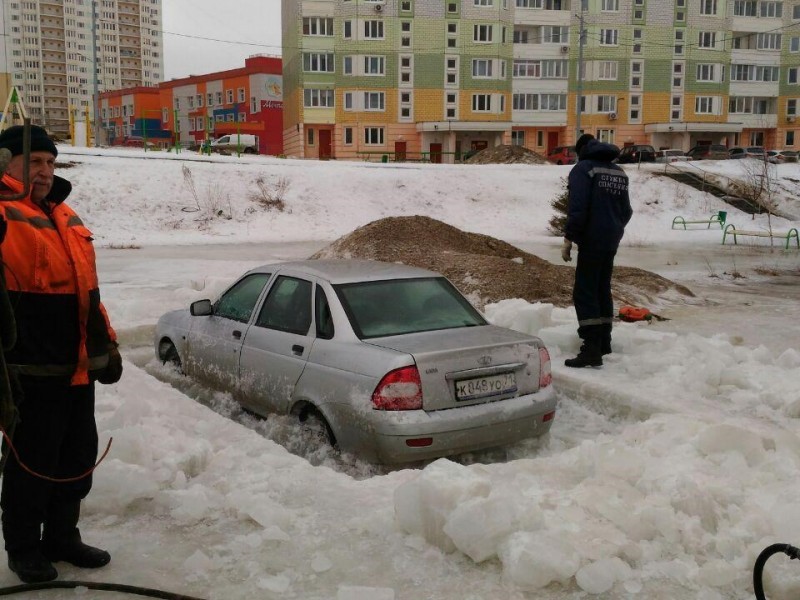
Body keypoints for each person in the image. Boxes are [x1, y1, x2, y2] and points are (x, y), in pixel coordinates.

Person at [0, 124, 122, 583]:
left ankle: (62, 537)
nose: (46, 171)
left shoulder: (67, 218)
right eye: (34, 161)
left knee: (74, 458)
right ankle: (23, 547)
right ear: (6, 163)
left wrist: (105, 345)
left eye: (51, 163)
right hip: (29, 370)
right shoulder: (3, 213)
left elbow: (87, 292)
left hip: (77, 368)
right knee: (30, 464)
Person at [561, 134, 633, 368]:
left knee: (585, 291)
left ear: (582, 150)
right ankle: (604, 342)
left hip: (592, 238)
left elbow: (578, 207)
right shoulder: (618, 172)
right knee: (602, 288)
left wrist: (570, 237)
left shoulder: (584, 169)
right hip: (611, 238)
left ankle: (591, 348)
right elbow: (627, 211)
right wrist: (614, 228)